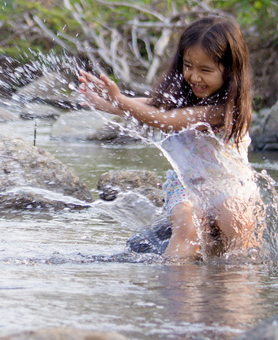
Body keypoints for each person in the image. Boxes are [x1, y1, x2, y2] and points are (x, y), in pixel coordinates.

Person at [78, 16, 253, 261]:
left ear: (230, 71)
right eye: (188, 65)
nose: (194, 76)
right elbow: (155, 107)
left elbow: (166, 120)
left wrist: (120, 101)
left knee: (235, 222)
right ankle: (179, 292)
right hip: (186, 184)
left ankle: (236, 289)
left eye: (205, 70)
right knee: (187, 227)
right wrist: (111, 104)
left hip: (228, 186)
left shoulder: (225, 109)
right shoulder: (187, 93)